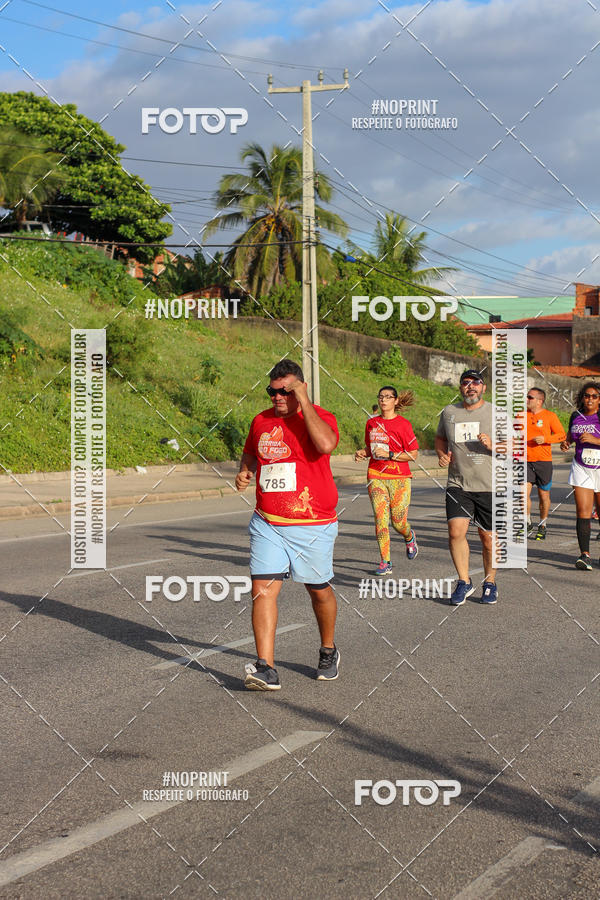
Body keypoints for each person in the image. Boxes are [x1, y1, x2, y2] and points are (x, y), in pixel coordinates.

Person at [236, 359, 340, 690]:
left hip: (313, 523)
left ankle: (328, 649)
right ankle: (266, 667)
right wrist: (245, 470)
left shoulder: (320, 417)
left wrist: (304, 402)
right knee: (262, 590)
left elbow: (325, 445)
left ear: (300, 389)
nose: (278, 397)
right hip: (268, 521)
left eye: (286, 391)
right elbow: (251, 452)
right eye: (273, 391)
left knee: (318, 590)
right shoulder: (261, 421)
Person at [435, 369, 502, 606]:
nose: (470, 387)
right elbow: (440, 438)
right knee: (455, 532)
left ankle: (490, 582)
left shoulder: (496, 412)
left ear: (484, 387)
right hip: (458, 483)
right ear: (460, 387)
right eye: (466, 383)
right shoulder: (449, 412)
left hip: (489, 485)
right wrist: (442, 455)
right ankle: (464, 581)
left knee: (487, 538)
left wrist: (493, 446)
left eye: (476, 383)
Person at [355, 386, 419, 575]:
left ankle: (409, 536)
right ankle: (385, 561)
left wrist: (390, 454)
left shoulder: (403, 425)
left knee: (398, 522)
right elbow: (371, 448)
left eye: (388, 397)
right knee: (380, 519)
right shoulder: (372, 423)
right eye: (380, 397)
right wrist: (362, 453)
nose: (383, 400)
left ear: (395, 401)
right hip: (376, 476)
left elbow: (413, 454)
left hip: (400, 478)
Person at [560, 381, 600, 570]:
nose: (589, 399)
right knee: (583, 511)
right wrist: (566, 443)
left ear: (599, 399)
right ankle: (585, 555)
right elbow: (570, 435)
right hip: (581, 466)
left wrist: (595, 440)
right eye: (586, 395)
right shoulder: (576, 415)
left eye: (594, 396)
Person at [525, 387, 566, 540]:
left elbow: (561, 435)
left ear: (540, 401)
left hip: (544, 462)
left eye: (530, 397)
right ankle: (527, 521)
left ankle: (542, 525)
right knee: (522, 494)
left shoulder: (550, 416)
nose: (527, 400)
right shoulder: (520, 415)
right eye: (527, 397)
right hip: (524, 461)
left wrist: (546, 439)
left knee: (543, 496)